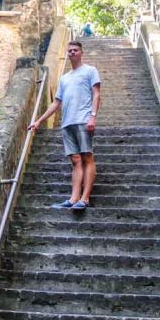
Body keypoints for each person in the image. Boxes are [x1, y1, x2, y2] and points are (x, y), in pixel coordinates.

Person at [28, 40, 101, 210]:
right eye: (69, 51)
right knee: (75, 161)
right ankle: (74, 198)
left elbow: (96, 94)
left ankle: (85, 198)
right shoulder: (65, 78)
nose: (72, 53)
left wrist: (93, 117)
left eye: (75, 50)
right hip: (67, 123)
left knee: (86, 157)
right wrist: (39, 121)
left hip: (83, 119)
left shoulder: (90, 71)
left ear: (81, 52)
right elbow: (56, 103)